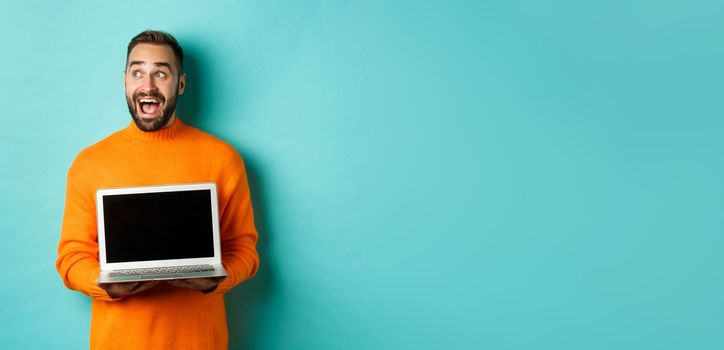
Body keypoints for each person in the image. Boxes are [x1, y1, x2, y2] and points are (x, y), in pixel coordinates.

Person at [56, 30, 259, 349]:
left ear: (180, 84)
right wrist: (105, 284)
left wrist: (218, 280)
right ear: (125, 80)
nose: (147, 86)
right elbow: (70, 257)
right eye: (137, 72)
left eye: (160, 73)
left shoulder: (222, 159)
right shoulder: (90, 163)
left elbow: (245, 250)